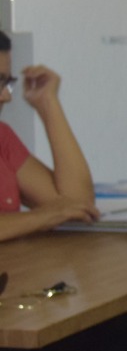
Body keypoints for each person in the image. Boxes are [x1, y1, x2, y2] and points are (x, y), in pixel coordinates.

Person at [0, 30, 98, 241]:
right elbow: (55, 212)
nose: (6, 96)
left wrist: (47, 103)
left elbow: (78, 206)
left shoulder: (3, 138)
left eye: (7, 83)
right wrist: (41, 217)